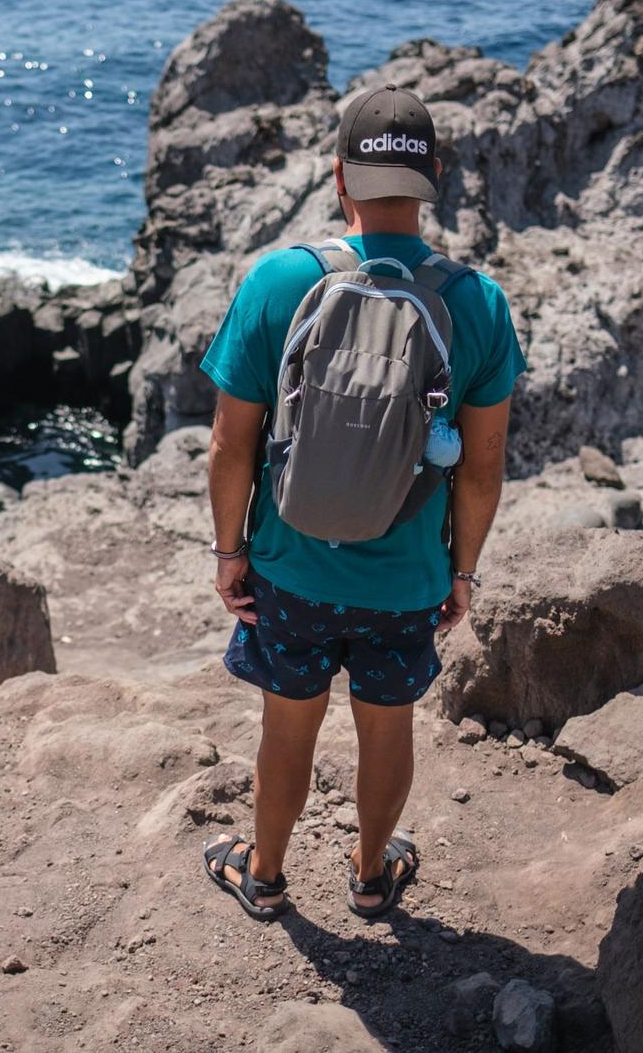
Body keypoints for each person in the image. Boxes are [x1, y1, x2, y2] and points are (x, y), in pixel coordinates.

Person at [198, 86, 524, 922]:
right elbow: (482, 467)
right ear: (435, 178)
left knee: (288, 725)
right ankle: (373, 874)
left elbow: (232, 443)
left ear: (339, 176)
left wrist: (232, 553)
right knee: (386, 727)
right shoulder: (478, 303)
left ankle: (265, 876)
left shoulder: (279, 281)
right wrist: (463, 575)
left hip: (291, 569)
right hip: (406, 579)